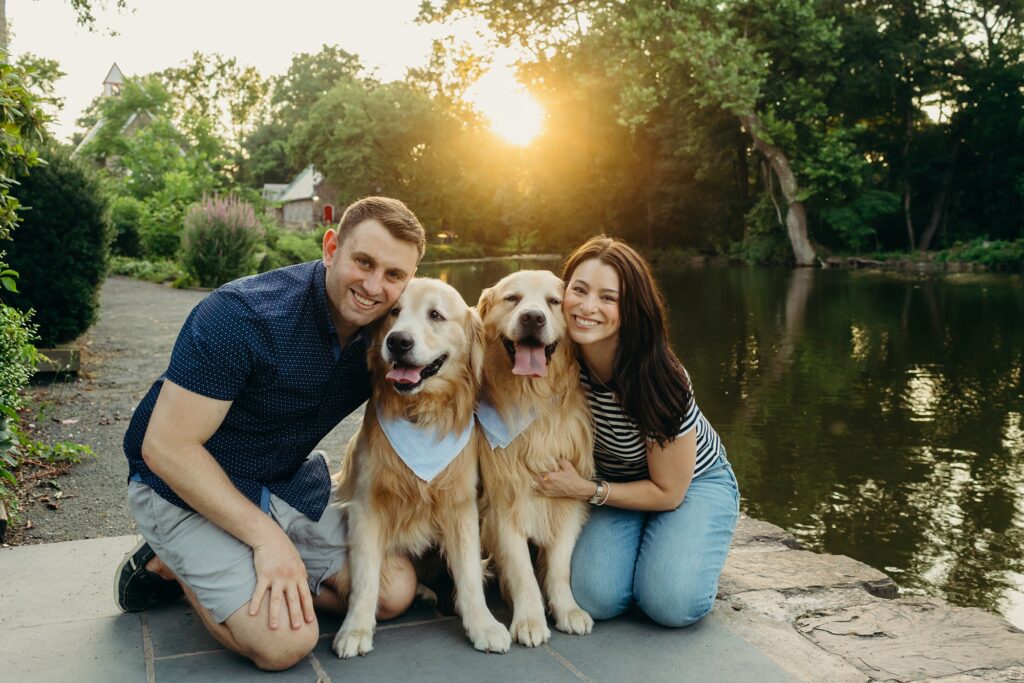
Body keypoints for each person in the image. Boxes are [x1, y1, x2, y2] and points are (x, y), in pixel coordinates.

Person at [115, 197, 425, 671]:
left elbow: (463, 363)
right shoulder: (243, 315)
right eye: (363, 262)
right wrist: (266, 540)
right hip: (180, 487)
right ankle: (172, 561)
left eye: (393, 275)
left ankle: (240, 560)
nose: (373, 286)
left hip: (280, 482)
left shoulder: (392, 333)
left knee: (392, 592)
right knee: (285, 643)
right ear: (331, 247)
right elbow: (166, 448)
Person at [533, 235, 740, 628]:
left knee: (670, 603)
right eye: (579, 290)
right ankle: (650, 544)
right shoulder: (557, 357)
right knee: (594, 598)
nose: (588, 307)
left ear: (631, 308)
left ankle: (688, 541)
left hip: (689, 483)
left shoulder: (661, 378)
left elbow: (669, 491)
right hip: (618, 482)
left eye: (608, 298)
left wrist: (585, 490)